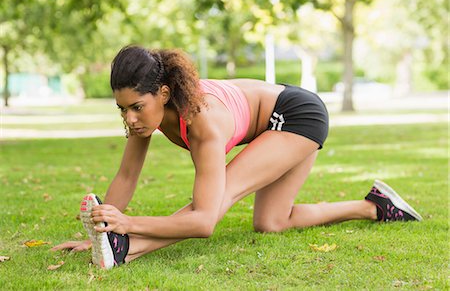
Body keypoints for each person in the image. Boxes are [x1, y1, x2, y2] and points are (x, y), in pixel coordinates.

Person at [51, 45, 422, 269]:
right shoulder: (146, 119)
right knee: (271, 222)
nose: (129, 119)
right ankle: (374, 207)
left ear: (163, 93)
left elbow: (205, 221)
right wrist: (99, 232)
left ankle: (126, 252)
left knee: (219, 196)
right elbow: (128, 175)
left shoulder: (202, 123)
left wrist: (127, 227)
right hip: (270, 121)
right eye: (122, 109)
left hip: (296, 115)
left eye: (136, 107)